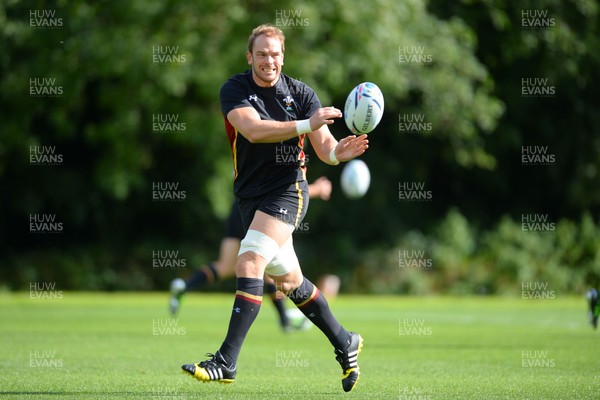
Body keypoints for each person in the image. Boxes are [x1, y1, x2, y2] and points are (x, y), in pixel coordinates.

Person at [181, 24, 368, 392]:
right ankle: (346, 342)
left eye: (275, 54)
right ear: (249, 57)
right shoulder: (235, 90)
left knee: (248, 261)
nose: (270, 60)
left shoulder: (301, 93)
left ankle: (226, 361)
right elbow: (252, 130)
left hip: (288, 192)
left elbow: (325, 147)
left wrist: (336, 153)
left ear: (284, 56)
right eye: (262, 54)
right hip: (250, 198)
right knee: (291, 283)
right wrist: (304, 124)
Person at [169, 176, 333, 334]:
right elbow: (285, 191)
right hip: (261, 209)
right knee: (269, 264)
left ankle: (185, 286)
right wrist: (317, 189)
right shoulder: (284, 150)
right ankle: (284, 320)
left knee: (225, 266)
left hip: (241, 206)